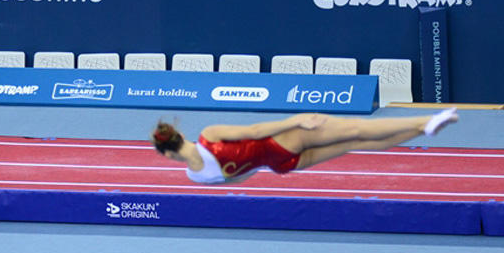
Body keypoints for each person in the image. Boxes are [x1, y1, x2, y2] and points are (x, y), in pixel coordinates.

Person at [151, 107, 457, 185]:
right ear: (179, 135)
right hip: (284, 139)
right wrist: (295, 120)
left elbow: (242, 176)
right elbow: (256, 130)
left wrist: (264, 161)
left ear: (166, 155)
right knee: (357, 128)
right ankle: (424, 121)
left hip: (281, 164)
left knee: (356, 142)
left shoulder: (197, 177)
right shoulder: (210, 134)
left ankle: (424, 130)